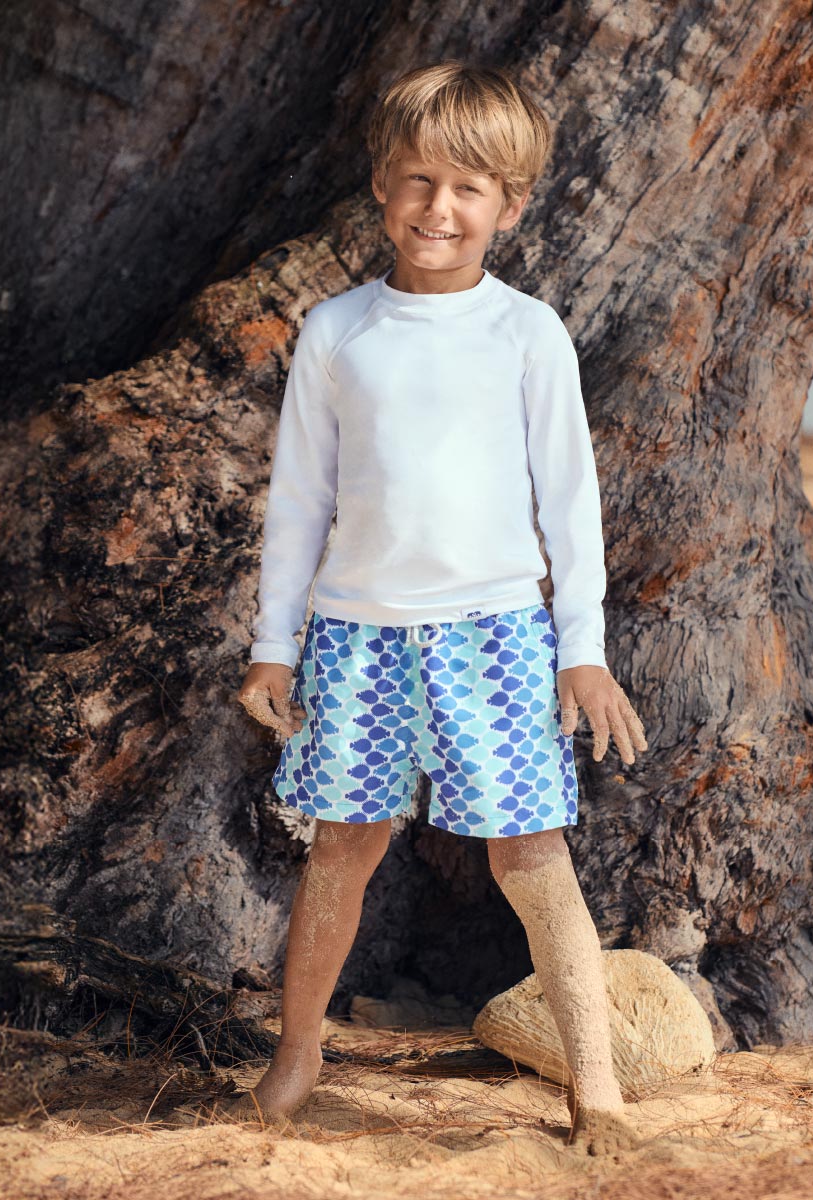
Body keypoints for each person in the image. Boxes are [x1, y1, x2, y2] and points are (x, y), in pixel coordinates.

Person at [229, 60, 648, 1155]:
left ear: (509, 205)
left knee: (531, 857)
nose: (439, 209)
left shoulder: (526, 336)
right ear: (381, 184)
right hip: (357, 637)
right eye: (419, 180)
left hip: (497, 637)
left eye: (469, 189)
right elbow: (300, 504)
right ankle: (298, 1051)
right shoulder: (337, 335)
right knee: (342, 849)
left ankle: (594, 1085)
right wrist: (275, 646)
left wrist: (582, 652)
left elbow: (571, 507)